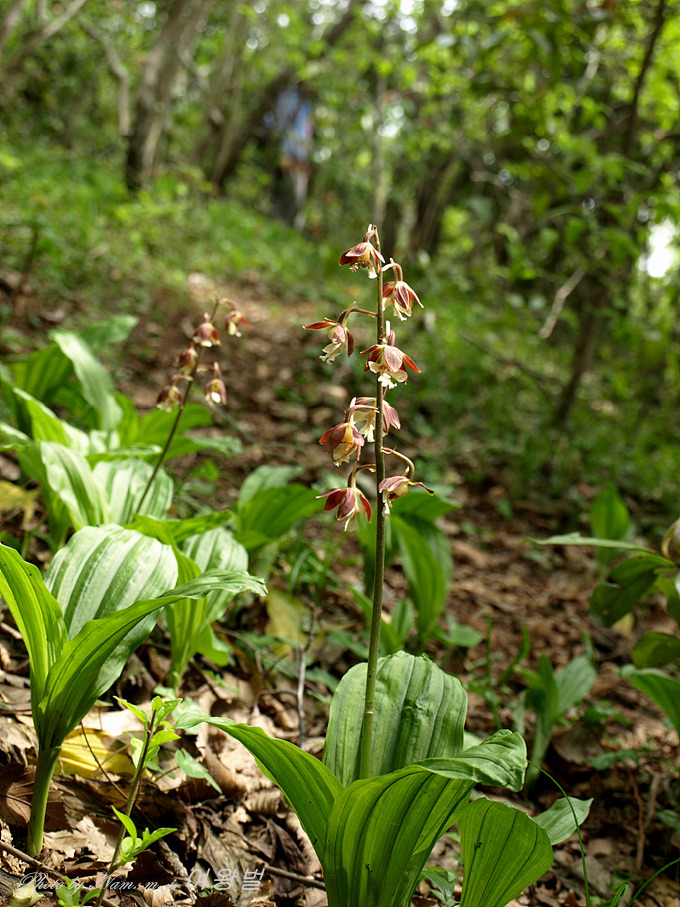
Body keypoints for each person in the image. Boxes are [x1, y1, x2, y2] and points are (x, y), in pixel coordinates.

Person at [273, 82, 313, 229]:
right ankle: (280, 221)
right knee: (286, 188)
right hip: (288, 152)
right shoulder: (289, 99)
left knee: (298, 194)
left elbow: (306, 134)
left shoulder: (307, 106)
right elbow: (282, 125)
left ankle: (291, 226)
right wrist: (287, 154)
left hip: (300, 157)